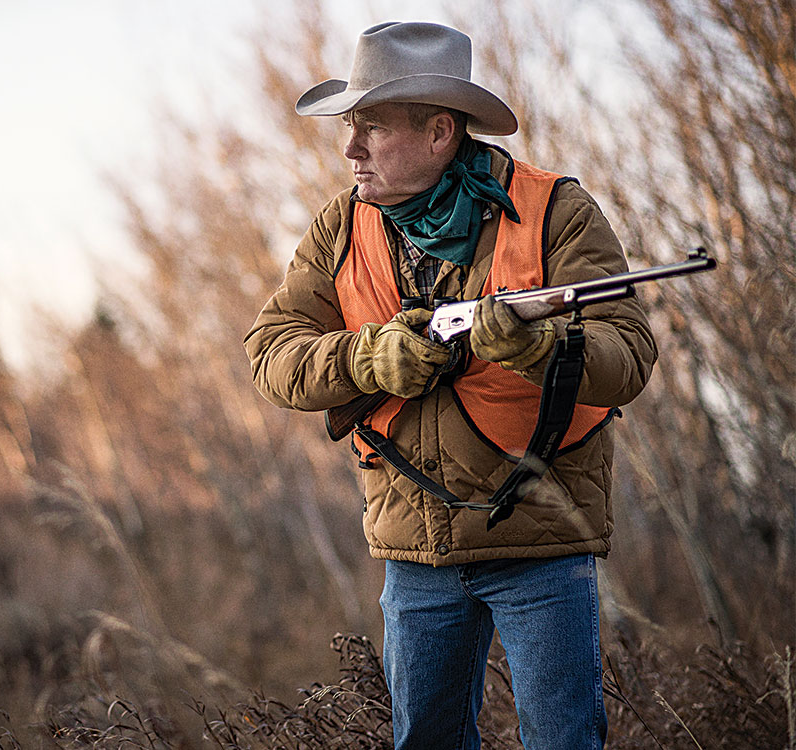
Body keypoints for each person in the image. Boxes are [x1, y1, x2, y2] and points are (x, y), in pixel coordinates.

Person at [243, 20, 656, 750]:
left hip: (540, 542)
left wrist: (541, 347)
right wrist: (368, 360)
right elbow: (272, 355)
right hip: (416, 552)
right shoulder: (338, 227)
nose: (351, 149)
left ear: (440, 132)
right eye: (350, 127)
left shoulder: (557, 211)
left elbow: (629, 353)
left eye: (371, 127)